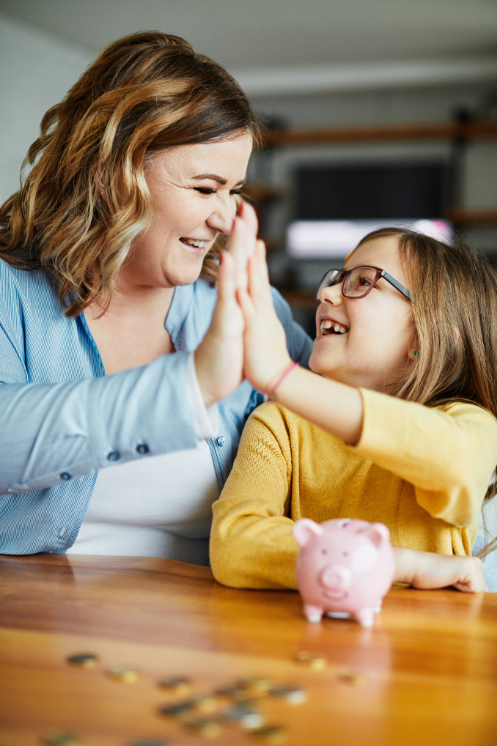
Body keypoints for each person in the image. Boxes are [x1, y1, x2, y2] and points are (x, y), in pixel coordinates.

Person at [0, 31, 311, 562]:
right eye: (205, 188)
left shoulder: (240, 302)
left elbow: (351, 414)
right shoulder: (11, 291)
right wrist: (191, 384)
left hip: (217, 633)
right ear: (110, 175)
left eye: (234, 191)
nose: (226, 217)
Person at [210, 226, 497, 592]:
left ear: (427, 334)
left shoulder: (466, 420)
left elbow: (456, 463)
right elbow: (234, 542)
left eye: (363, 282)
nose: (325, 293)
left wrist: (284, 377)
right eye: (336, 279)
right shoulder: (281, 422)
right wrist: (393, 563)